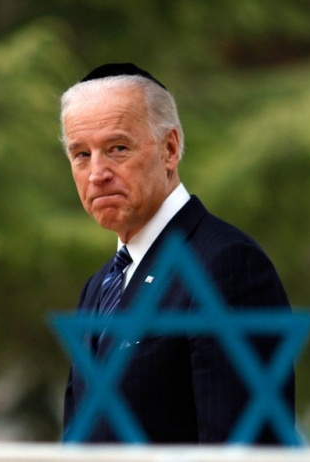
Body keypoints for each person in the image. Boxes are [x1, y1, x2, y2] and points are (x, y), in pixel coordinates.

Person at [60, 63, 293, 444]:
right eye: (82, 154)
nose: (97, 173)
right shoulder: (98, 286)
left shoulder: (226, 265)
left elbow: (245, 447)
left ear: (169, 149)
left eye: (118, 148)